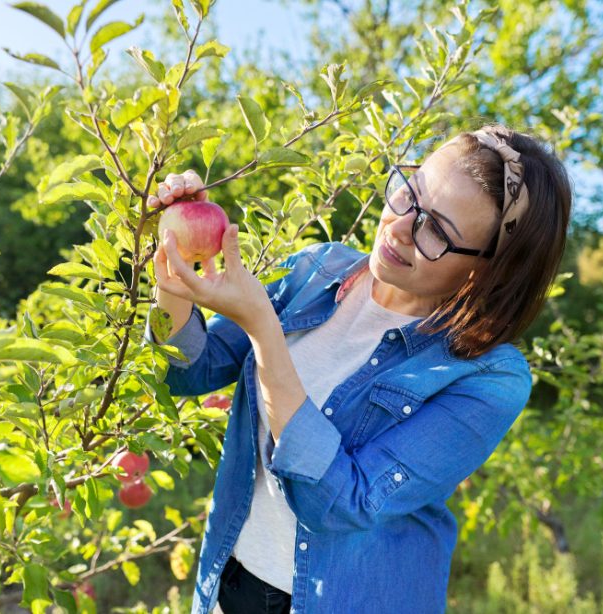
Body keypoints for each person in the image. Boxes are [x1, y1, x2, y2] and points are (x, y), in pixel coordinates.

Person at [144, 124, 572, 614]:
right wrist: (178, 271)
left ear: (489, 269)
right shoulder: (316, 271)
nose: (399, 226)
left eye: (436, 230)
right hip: (228, 583)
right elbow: (189, 370)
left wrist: (264, 330)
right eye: (410, 193)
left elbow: (343, 502)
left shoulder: (487, 377)